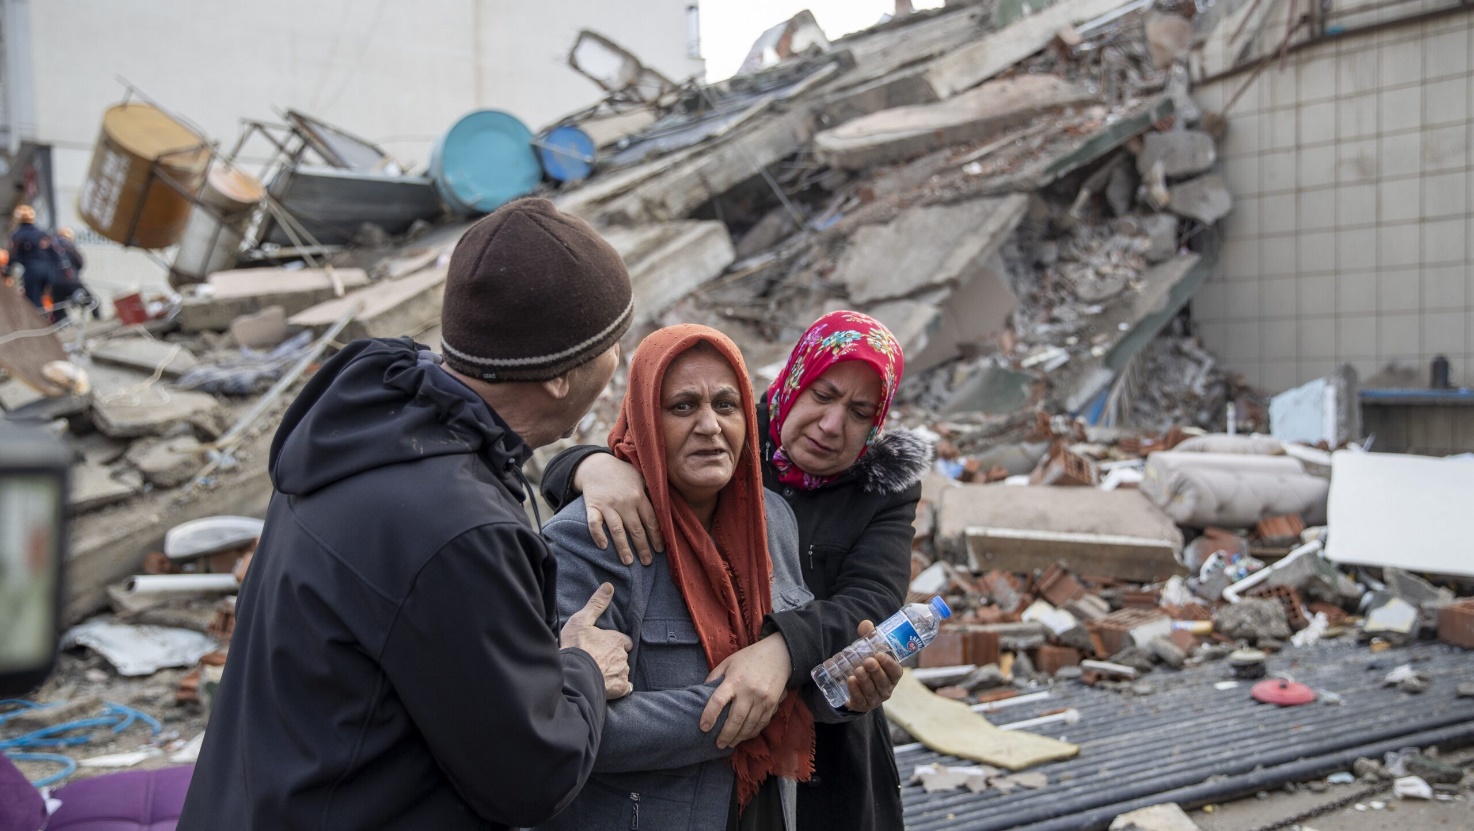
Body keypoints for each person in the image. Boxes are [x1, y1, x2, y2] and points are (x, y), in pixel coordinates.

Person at [178, 198, 639, 830]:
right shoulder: (460, 530)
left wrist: (586, 464)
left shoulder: (365, 431)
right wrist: (583, 665)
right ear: (561, 376)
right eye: (613, 344)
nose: (619, 361)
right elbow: (533, 775)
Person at [542, 310, 931, 831]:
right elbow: (563, 722)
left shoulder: (771, 519)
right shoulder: (601, 533)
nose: (832, 425)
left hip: (791, 792)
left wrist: (841, 691)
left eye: (726, 405)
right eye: (682, 406)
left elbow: (869, 603)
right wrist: (587, 464)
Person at [5, 206, 62, 318]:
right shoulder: (43, 234)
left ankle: (40, 321)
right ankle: (54, 319)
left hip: (33, 271)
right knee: (52, 298)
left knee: (33, 301)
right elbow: (55, 253)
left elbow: (14, 255)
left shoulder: (18, 235)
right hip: (49, 271)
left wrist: (7, 272)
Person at [50, 228, 98, 320]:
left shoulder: (52, 247)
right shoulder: (70, 248)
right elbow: (80, 263)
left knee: (58, 308)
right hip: (72, 281)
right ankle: (97, 320)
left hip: (56, 282)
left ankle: (60, 324)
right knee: (92, 301)